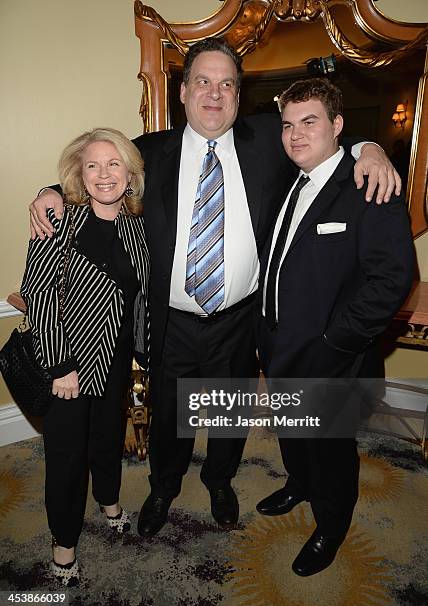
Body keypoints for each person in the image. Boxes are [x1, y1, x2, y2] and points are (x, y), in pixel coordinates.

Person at [28, 38, 401, 538]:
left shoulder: (270, 139)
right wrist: (48, 191)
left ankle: (220, 479)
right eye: (202, 81)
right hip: (172, 321)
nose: (214, 93)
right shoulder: (149, 153)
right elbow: (95, 170)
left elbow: (326, 136)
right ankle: (164, 486)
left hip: (239, 319)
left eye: (227, 83)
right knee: (170, 419)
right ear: (183, 92)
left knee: (229, 413)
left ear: (239, 95)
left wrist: (369, 148)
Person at [255, 78, 414, 577]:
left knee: (329, 448)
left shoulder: (368, 183)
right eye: (288, 125)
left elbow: (393, 278)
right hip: (278, 344)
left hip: (330, 355)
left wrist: (334, 343)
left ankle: (331, 523)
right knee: (291, 432)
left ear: (337, 126)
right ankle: (298, 484)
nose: (296, 135)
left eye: (310, 122)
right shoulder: (287, 177)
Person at [21, 128, 149, 585]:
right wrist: (60, 366)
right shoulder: (59, 218)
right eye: (92, 165)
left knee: (107, 437)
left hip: (114, 360)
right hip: (68, 364)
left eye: (113, 164)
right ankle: (64, 542)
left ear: (129, 173)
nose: (103, 174)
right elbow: (39, 294)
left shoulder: (137, 224)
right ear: (79, 174)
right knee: (67, 456)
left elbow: (139, 296)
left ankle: (110, 500)